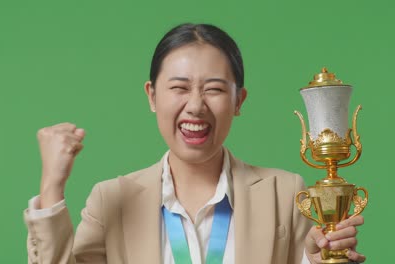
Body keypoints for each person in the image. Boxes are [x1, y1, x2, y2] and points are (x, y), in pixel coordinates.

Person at [24, 23, 366, 264]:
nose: (196, 105)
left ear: (239, 101)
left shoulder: (285, 193)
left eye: (214, 89)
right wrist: (52, 185)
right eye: (179, 87)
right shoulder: (111, 199)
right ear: (152, 95)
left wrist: (317, 258)